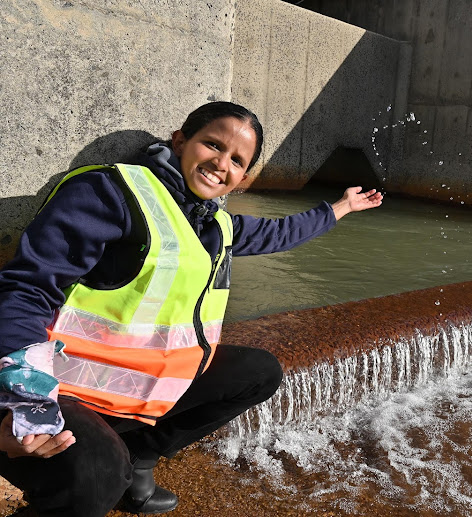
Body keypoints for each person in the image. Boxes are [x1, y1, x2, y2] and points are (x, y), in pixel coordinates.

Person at [0, 101, 383, 516]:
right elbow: (26, 290)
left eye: (237, 160)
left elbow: (279, 233)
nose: (222, 163)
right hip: (54, 386)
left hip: (131, 392)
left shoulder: (213, 224)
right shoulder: (111, 192)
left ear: (242, 178)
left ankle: (138, 457)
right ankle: (112, 465)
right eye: (213, 145)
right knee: (97, 476)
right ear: (180, 141)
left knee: (259, 373)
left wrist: (341, 207)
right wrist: (26, 398)